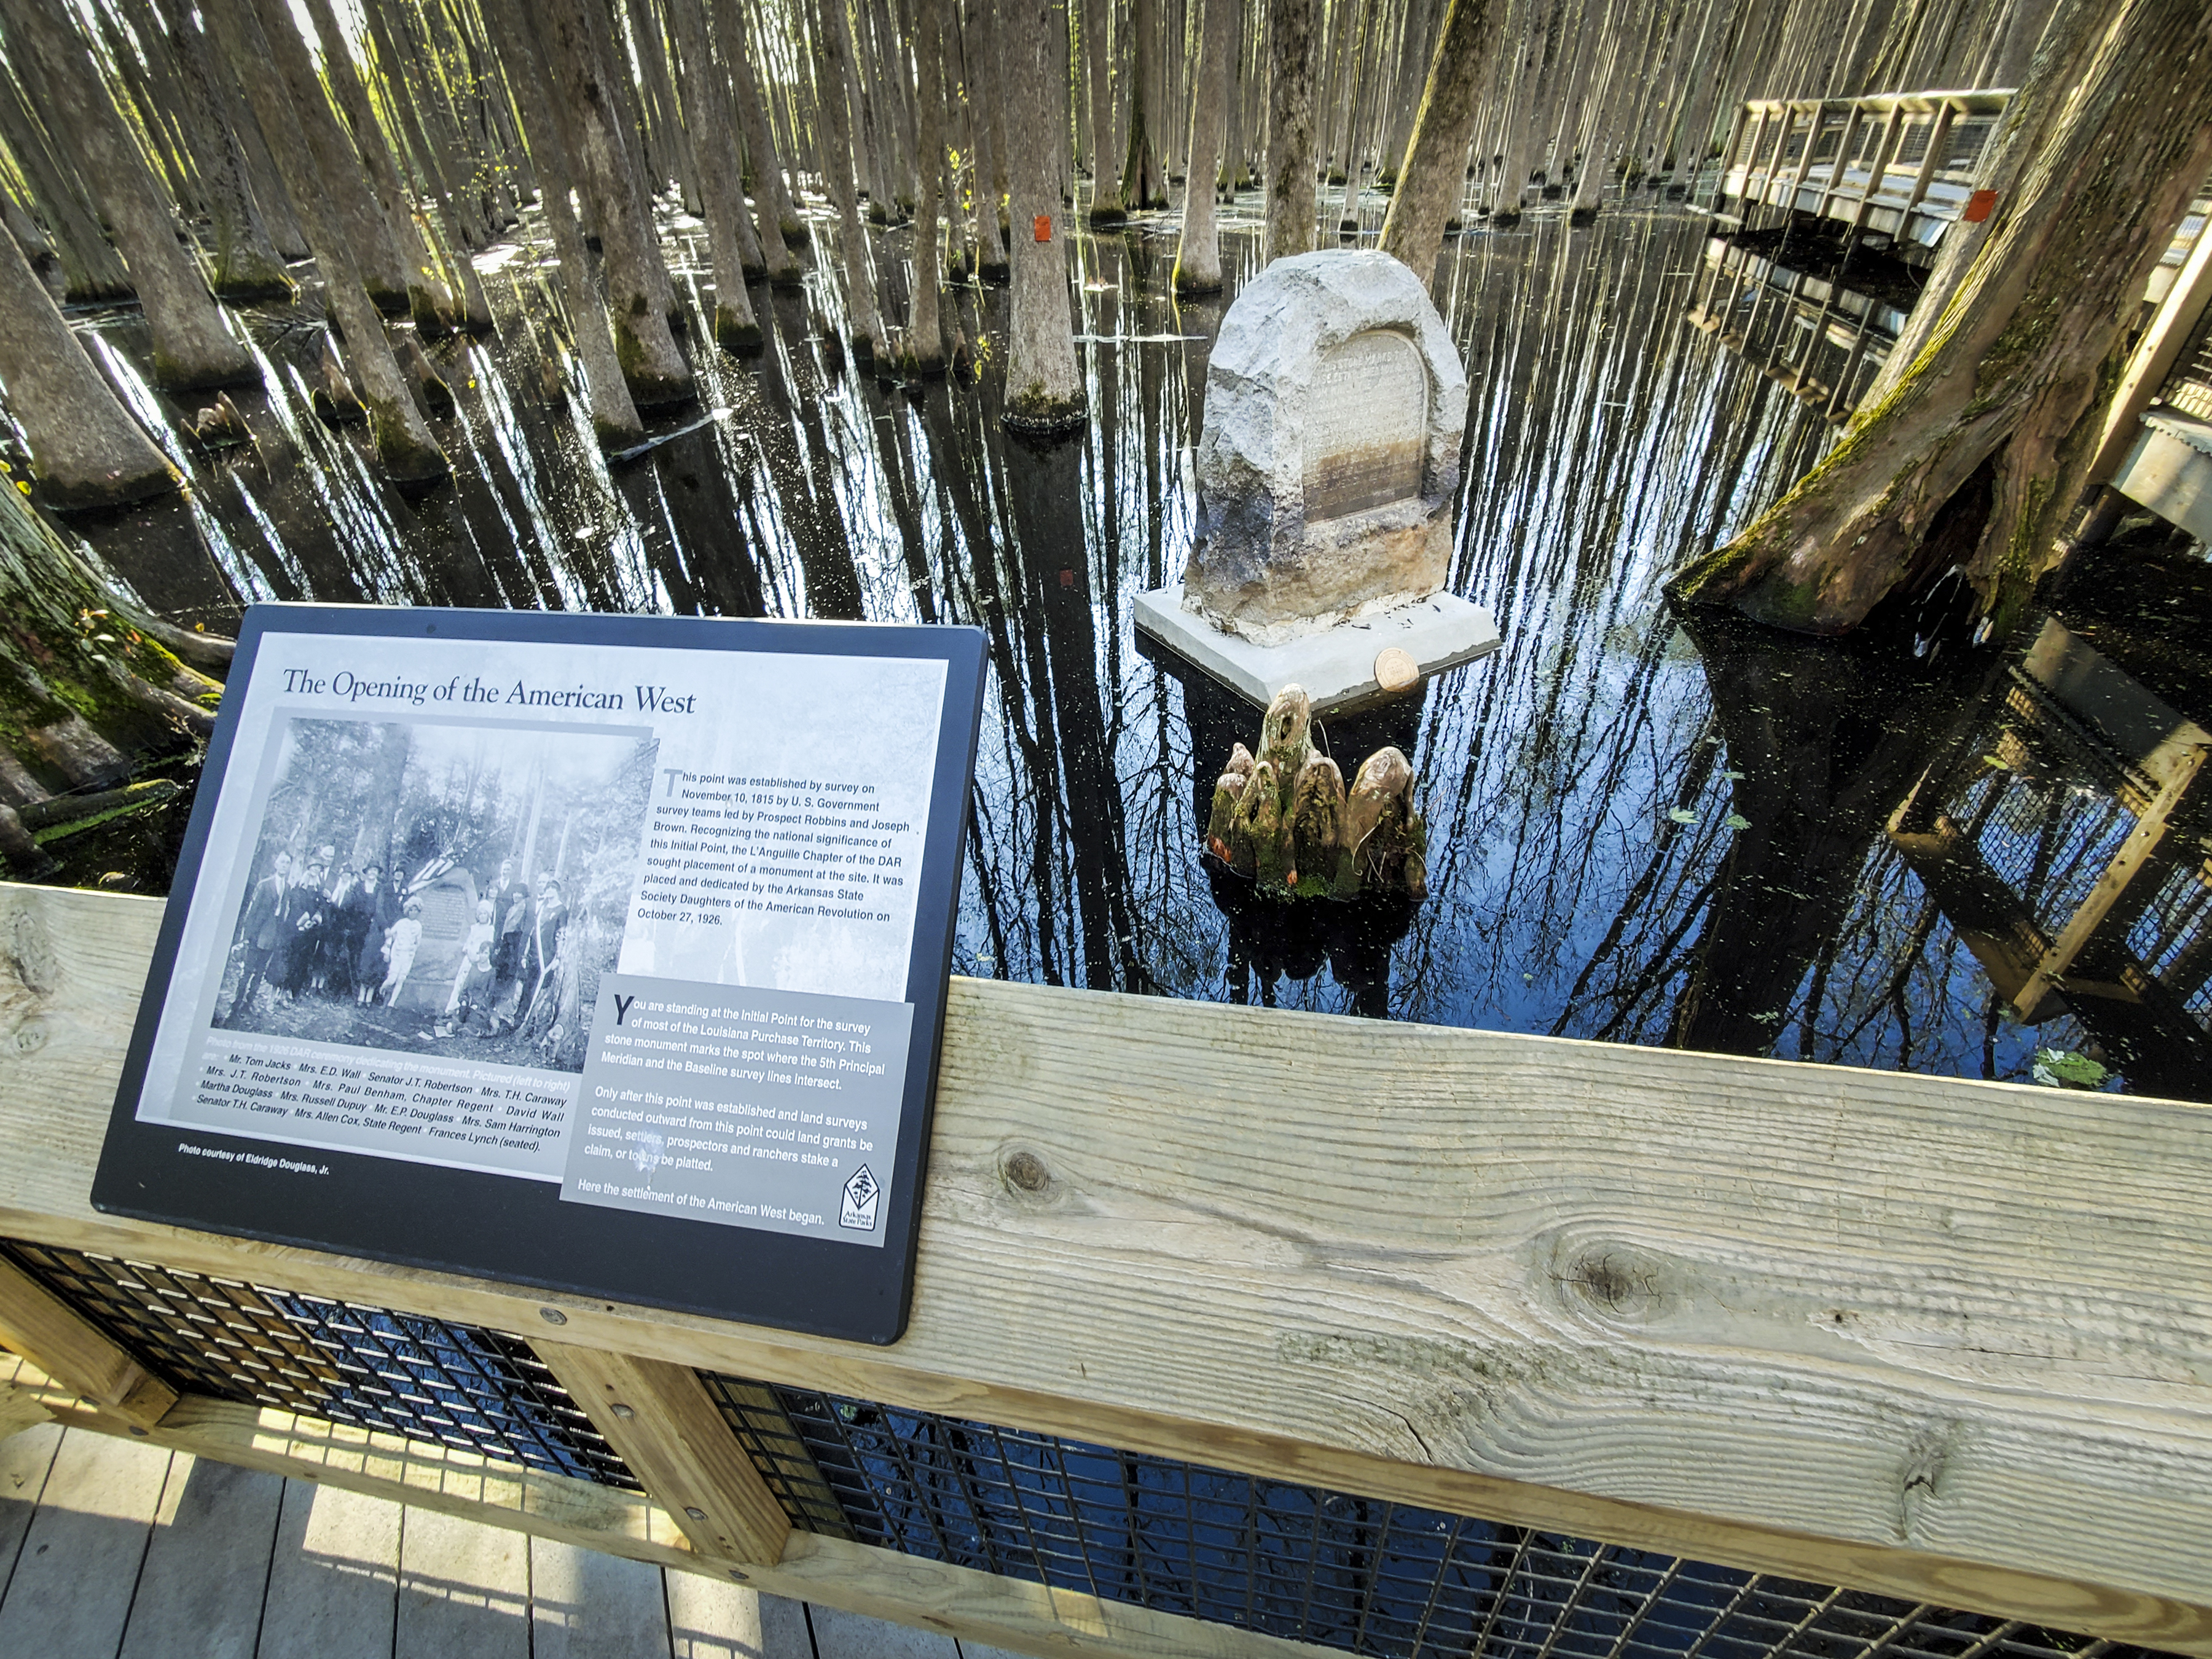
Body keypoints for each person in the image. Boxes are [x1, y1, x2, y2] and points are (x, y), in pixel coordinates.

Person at [226, 850, 293, 1021]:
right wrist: (246, 937)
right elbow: (252, 912)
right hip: (256, 936)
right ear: (276, 864)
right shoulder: (265, 885)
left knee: (260, 973)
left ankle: (249, 1004)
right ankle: (236, 1006)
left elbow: (283, 915)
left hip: (272, 939)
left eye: (288, 863)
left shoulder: (288, 887)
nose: (284, 866)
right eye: (282, 862)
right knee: (246, 972)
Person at [442, 900, 498, 1034]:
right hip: (470, 957)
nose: (482, 916)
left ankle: (468, 1021)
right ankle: (452, 1009)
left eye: (485, 914)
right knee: (461, 984)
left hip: (479, 959)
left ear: (488, 915)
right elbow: (468, 942)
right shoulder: (474, 928)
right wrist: (468, 950)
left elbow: (488, 946)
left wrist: (479, 957)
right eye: (480, 914)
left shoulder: (490, 929)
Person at [487, 858, 532, 1024]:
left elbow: (519, 928)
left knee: (507, 973)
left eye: (509, 870)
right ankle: (492, 1004)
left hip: (512, 943)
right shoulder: (497, 888)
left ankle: (502, 1009)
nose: (516, 895)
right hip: (502, 938)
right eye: (504, 869)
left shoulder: (522, 906)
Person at [380, 899, 425, 1005]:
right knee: (392, 979)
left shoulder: (418, 926)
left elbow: (417, 943)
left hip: (408, 956)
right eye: (412, 910)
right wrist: (387, 951)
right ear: (408, 911)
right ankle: (382, 989)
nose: (414, 913)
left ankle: (392, 1003)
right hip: (398, 954)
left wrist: (412, 950)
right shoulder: (401, 923)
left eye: (416, 911)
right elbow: (390, 936)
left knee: (401, 979)